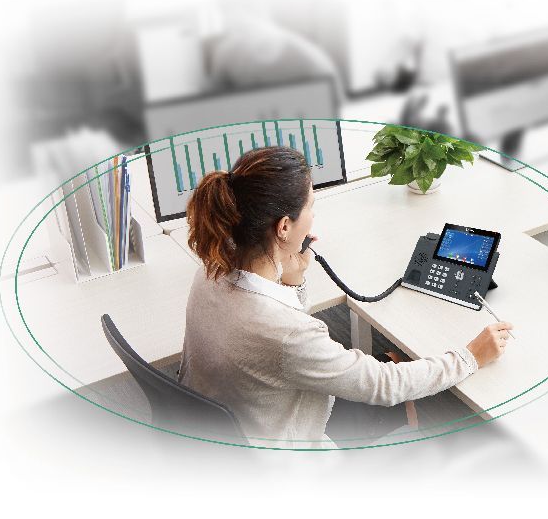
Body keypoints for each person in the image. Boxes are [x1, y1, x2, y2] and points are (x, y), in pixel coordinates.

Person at [178, 146, 512, 448]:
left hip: (223, 439)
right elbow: (382, 385)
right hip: (283, 466)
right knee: (397, 382)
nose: (313, 215)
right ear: (283, 228)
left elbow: (282, 342)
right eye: (310, 206)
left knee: (380, 362)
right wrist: (469, 357)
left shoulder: (210, 271)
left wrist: (293, 279)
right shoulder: (286, 333)